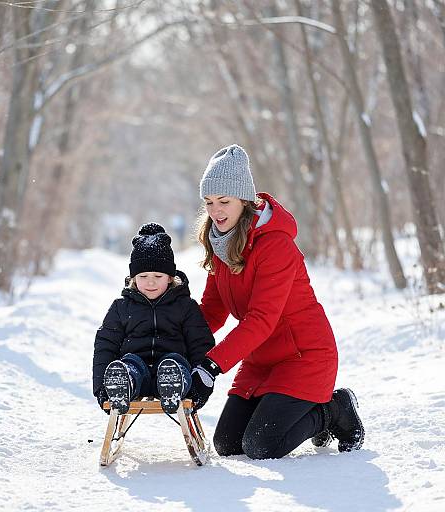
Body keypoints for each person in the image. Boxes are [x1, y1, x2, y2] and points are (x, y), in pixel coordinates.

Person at [191, 143, 365, 459]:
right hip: (261, 359)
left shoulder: (275, 246)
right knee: (227, 445)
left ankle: (333, 409)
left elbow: (262, 318)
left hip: (304, 356)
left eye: (224, 201)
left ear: (244, 201)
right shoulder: (220, 243)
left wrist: (211, 366)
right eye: (209, 202)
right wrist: (180, 342)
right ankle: (300, 408)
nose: (216, 211)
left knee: (262, 446)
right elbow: (213, 310)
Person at [92, 222, 215, 415]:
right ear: (133, 278)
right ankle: (122, 385)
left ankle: (174, 384)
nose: (150, 282)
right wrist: (101, 388)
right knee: (128, 364)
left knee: (175, 363)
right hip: (137, 371)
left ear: (170, 277)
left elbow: (200, 344)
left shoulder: (185, 306)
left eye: (158, 275)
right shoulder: (121, 307)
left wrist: (200, 387)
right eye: (143, 276)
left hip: (173, 370)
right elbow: (105, 346)